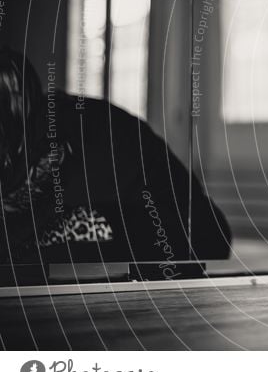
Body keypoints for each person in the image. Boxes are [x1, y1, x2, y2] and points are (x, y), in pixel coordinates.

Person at [0, 48, 231, 266]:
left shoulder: (58, 135)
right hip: (151, 221)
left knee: (26, 254)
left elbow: (26, 223)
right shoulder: (41, 126)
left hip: (186, 228)